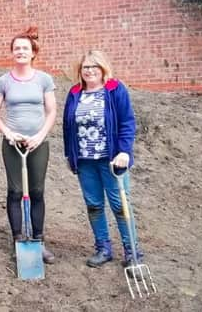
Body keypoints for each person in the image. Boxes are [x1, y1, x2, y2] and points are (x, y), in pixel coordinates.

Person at [62, 50, 144, 268]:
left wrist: (124, 151)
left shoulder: (114, 89)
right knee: (94, 205)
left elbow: (127, 122)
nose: (89, 71)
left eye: (94, 66)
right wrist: (70, 155)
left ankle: (132, 250)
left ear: (103, 68)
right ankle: (103, 248)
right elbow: (67, 126)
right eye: (85, 67)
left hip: (111, 159)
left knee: (120, 204)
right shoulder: (75, 92)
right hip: (85, 159)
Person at [0, 26, 57, 264]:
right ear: (12, 52)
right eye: (16, 48)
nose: (20, 52)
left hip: (38, 144)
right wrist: (8, 132)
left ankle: (38, 241)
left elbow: (51, 111)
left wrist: (40, 135)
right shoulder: (4, 81)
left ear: (32, 52)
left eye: (25, 48)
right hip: (13, 144)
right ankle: (18, 240)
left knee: (36, 191)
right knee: (16, 191)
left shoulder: (44, 79)